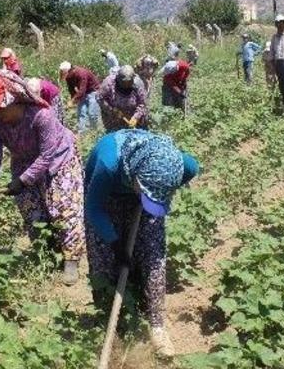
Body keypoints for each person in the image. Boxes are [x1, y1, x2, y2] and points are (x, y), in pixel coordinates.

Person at [84, 129, 200, 357]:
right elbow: (93, 209)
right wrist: (115, 243)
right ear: (136, 178)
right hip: (108, 196)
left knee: (153, 255)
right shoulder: (108, 163)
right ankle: (108, 320)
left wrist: (155, 194)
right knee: (105, 258)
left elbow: (192, 169)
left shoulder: (179, 164)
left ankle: (157, 326)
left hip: (148, 187)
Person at [0, 70, 85, 286]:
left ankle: (71, 259)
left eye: (0, 107)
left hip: (58, 160)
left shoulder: (41, 116)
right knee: (31, 211)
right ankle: (47, 253)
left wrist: (22, 180)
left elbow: (47, 155)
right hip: (23, 163)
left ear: (13, 99)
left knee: (64, 208)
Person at [98, 66, 149, 132]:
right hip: (113, 117)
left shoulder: (138, 83)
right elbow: (99, 98)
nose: (126, 85)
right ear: (118, 78)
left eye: (129, 82)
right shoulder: (109, 82)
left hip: (132, 115)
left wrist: (136, 117)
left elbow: (143, 103)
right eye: (124, 82)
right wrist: (111, 110)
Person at [59, 61, 101, 133]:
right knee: (81, 113)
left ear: (69, 71)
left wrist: (72, 101)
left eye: (63, 73)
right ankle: (82, 134)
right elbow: (71, 89)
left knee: (92, 113)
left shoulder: (81, 73)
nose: (63, 75)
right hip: (82, 93)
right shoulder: (68, 77)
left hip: (93, 91)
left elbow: (82, 90)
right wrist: (73, 99)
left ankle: (95, 132)